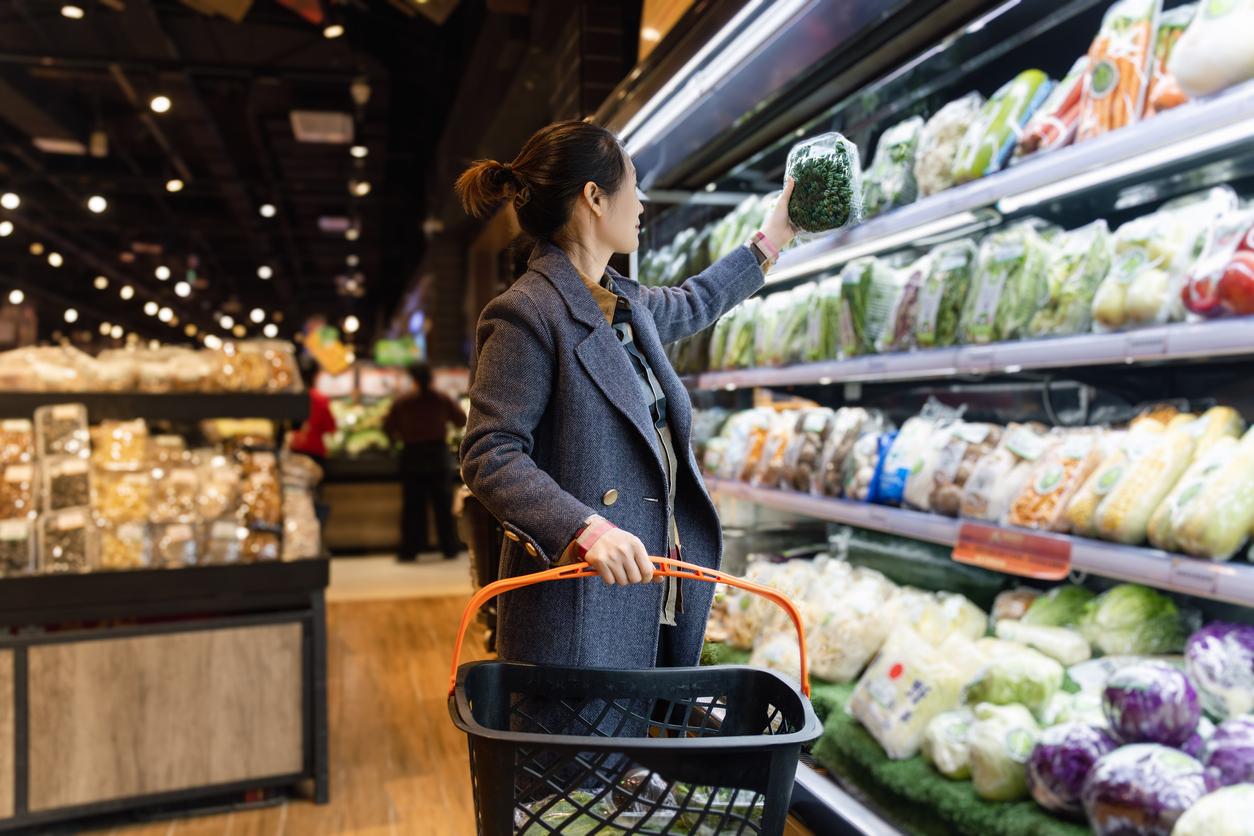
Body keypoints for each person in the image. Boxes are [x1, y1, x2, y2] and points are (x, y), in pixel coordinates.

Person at [456, 121, 796, 674]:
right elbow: (489, 454)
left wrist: (775, 236)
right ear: (594, 197)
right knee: (583, 758)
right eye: (632, 186)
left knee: (634, 753)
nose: (639, 203)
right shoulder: (525, 313)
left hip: (646, 596)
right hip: (577, 611)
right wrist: (584, 529)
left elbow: (696, 301)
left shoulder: (623, 303)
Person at [384, 362, 467, 561]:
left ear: (412, 379)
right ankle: (449, 548)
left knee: (412, 507)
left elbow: (388, 427)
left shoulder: (403, 401)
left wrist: (399, 439)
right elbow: (461, 420)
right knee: (443, 505)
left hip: (412, 455)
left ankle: (409, 551)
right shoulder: (441, 398)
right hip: (437, 455)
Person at [289, 361, 337, 470]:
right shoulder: (320, 399)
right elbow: (331, 427)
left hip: (294, 449)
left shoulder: (290, 398)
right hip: (315, 452)